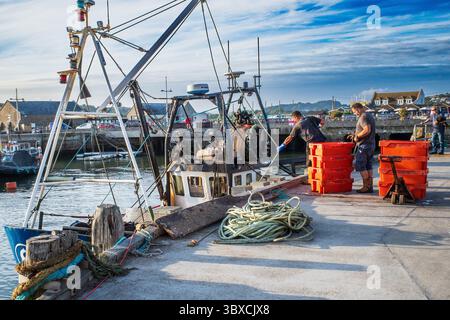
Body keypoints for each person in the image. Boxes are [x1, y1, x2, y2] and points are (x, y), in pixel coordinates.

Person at [351, 103, 376, 193]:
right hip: (371, 145)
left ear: (358, 109)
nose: (355, 114)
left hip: (364, 146)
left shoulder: (363, 117)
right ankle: (370, 186)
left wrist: (357, 136)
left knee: (360, 165)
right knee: (368, 165)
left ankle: (366, 186)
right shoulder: (369, 115)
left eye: (354, 112)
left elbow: (367, 129)